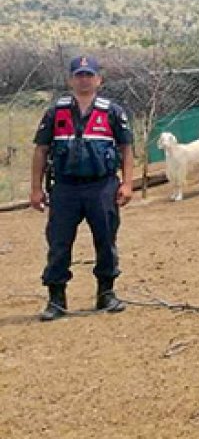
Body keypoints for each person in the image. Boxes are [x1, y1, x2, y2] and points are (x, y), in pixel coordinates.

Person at [29, 56, 134, 320]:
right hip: (65, 188)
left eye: (89, 75)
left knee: (106, 239)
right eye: (79, 75)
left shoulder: (112, 111)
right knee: (59, 242)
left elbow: (126, 149)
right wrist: (36, 188)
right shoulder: (56, 112)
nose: (84, 79)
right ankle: (56, 299)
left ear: (99, 79)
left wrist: (128, 183)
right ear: (70, 79)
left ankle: (106, 293)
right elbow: (41, 150)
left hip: (102, 186)